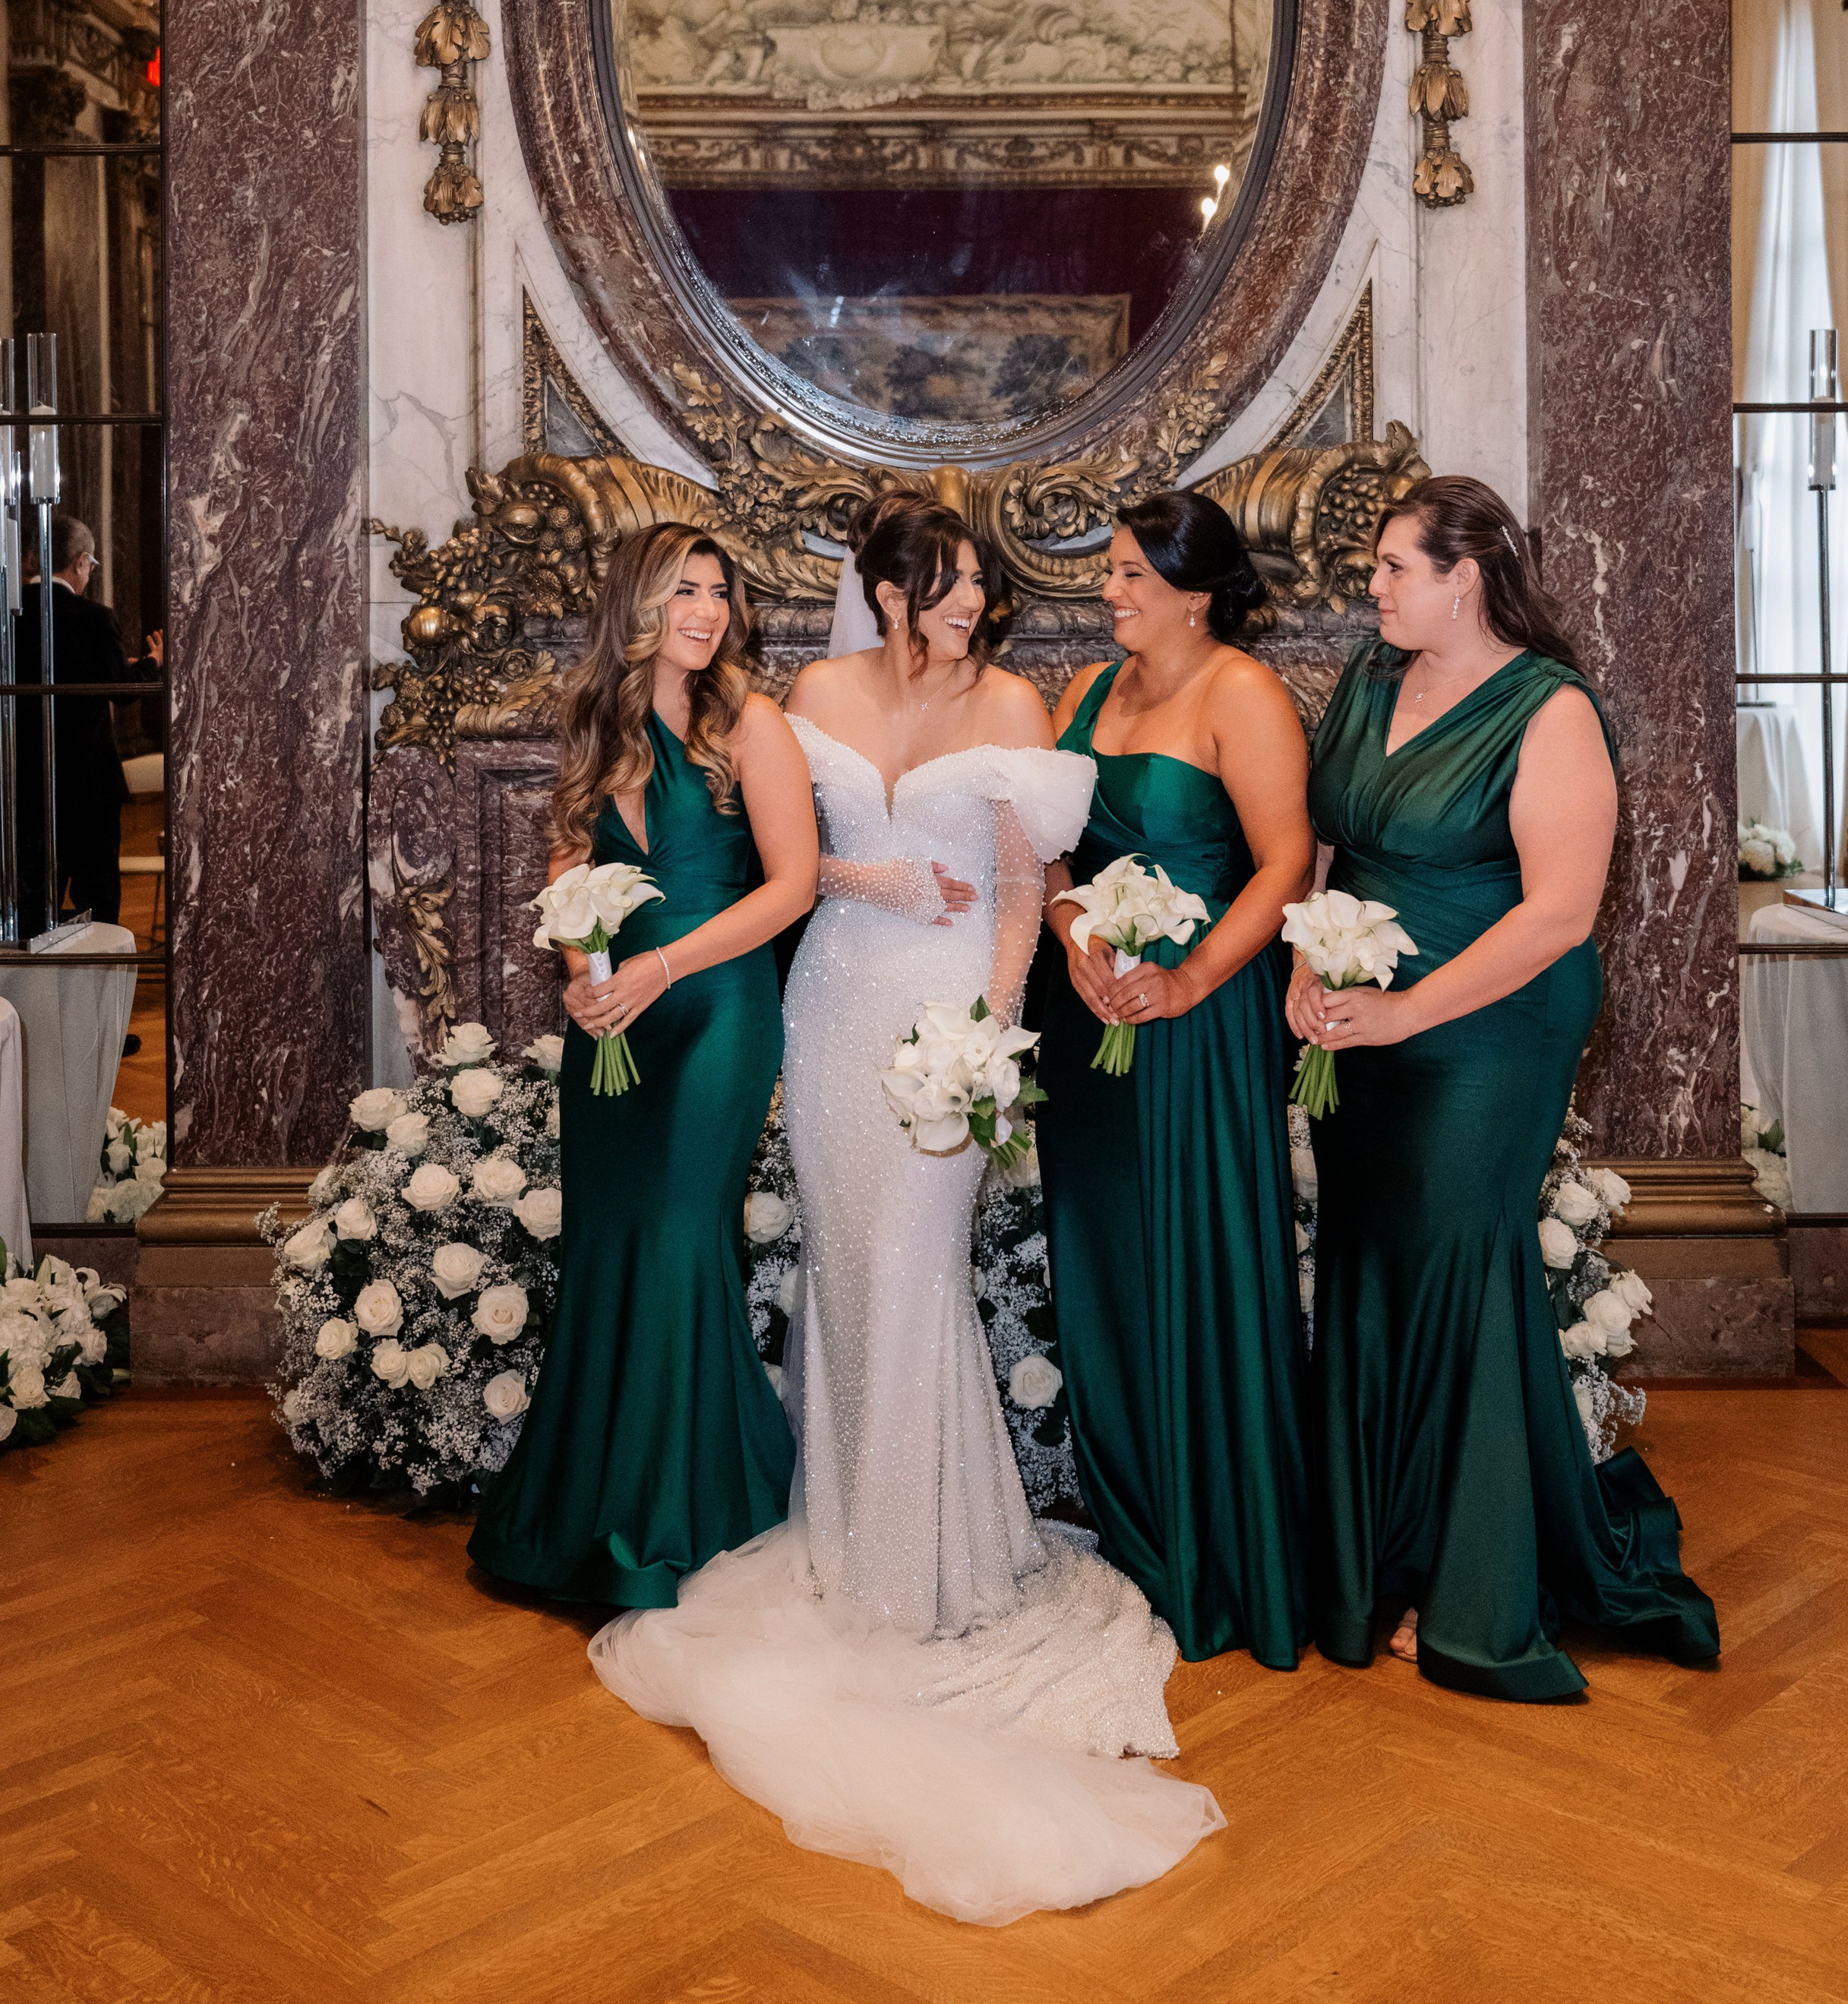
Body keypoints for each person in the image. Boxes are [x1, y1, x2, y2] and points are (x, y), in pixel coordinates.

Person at [589, 495, 1222, 1927]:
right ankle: (850, 1535)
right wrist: (866, 873)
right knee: (851, 1271)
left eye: (976, 584)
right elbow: (789, 863)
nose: (966, 602)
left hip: (945, 1011)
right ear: (882, 588)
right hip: (828, 1009)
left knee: (916, 1269)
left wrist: (997, 1030)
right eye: (940, 582)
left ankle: (930, 1565)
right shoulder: (808, 692)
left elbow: (1018, 889)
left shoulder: (1008, 697)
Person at [1291, 473, 1720, 1699]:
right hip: (1362, 1023)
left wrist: (1407, 1010)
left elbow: (1562, 913)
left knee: (1461, 1265)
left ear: (1463, 576)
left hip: (1489, 1028)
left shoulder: (1549, 709)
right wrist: (1308, 973)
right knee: (1376, 1260)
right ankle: (1375, 1558)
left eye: (1391, 568)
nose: (1371, 587)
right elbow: (1334, 840)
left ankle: (1469, 1581)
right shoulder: (1372, 680)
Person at [469, 522, 818, 1606]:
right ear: (639, 606)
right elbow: (570, 873)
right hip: (617, 1018)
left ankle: (688, 1516)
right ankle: (597, 1502)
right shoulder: (597, 724)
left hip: (716, 1004)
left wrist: (660, 967)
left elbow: (791, 887)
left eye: (719, 592)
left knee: (676, 1238)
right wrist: (585, 974)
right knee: (616, 1244)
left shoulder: (753, 724)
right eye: (685, 592)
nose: (708, 612)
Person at [1038, 491, 1315, 1670]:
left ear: (1194, 592)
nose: (1109, 592)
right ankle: (1136, 1524)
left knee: (1193, 1256)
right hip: (1089, 1012)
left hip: (1199, 1022)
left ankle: (1215, 1539)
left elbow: (1288, 860)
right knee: (1102, 1261)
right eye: (1110, 572)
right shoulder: (1086, 694)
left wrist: (1192, 979)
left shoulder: (1242, 693)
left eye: (1130, 575)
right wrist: (1069, 929)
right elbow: (1052, 844)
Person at [15, 509, 161, 940]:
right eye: (91, 565)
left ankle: (28, 998)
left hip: (26, 783)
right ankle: (92, 999)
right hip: (89, 787)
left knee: (30, 899)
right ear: (80, 561)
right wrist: (151, 664)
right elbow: (122, 691)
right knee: (96, 902)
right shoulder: (96, 619)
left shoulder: (11, 619)